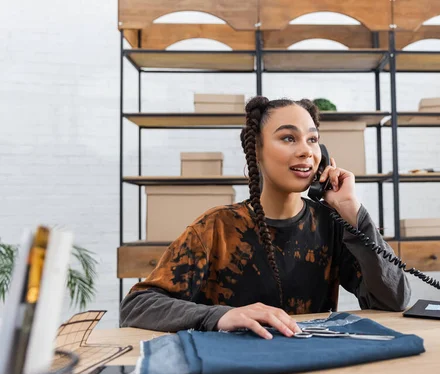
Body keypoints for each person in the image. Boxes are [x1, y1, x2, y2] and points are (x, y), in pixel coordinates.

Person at [119, 96, 411, 339]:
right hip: (232, 372)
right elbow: (137, 306)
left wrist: (353, 213)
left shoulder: (332, 224)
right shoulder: (215, 228)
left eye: (312, 140)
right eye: (288, 138)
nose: (306, 151)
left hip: (312, 368)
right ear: (256, 149)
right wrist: (222, 316)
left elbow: (394, 299)